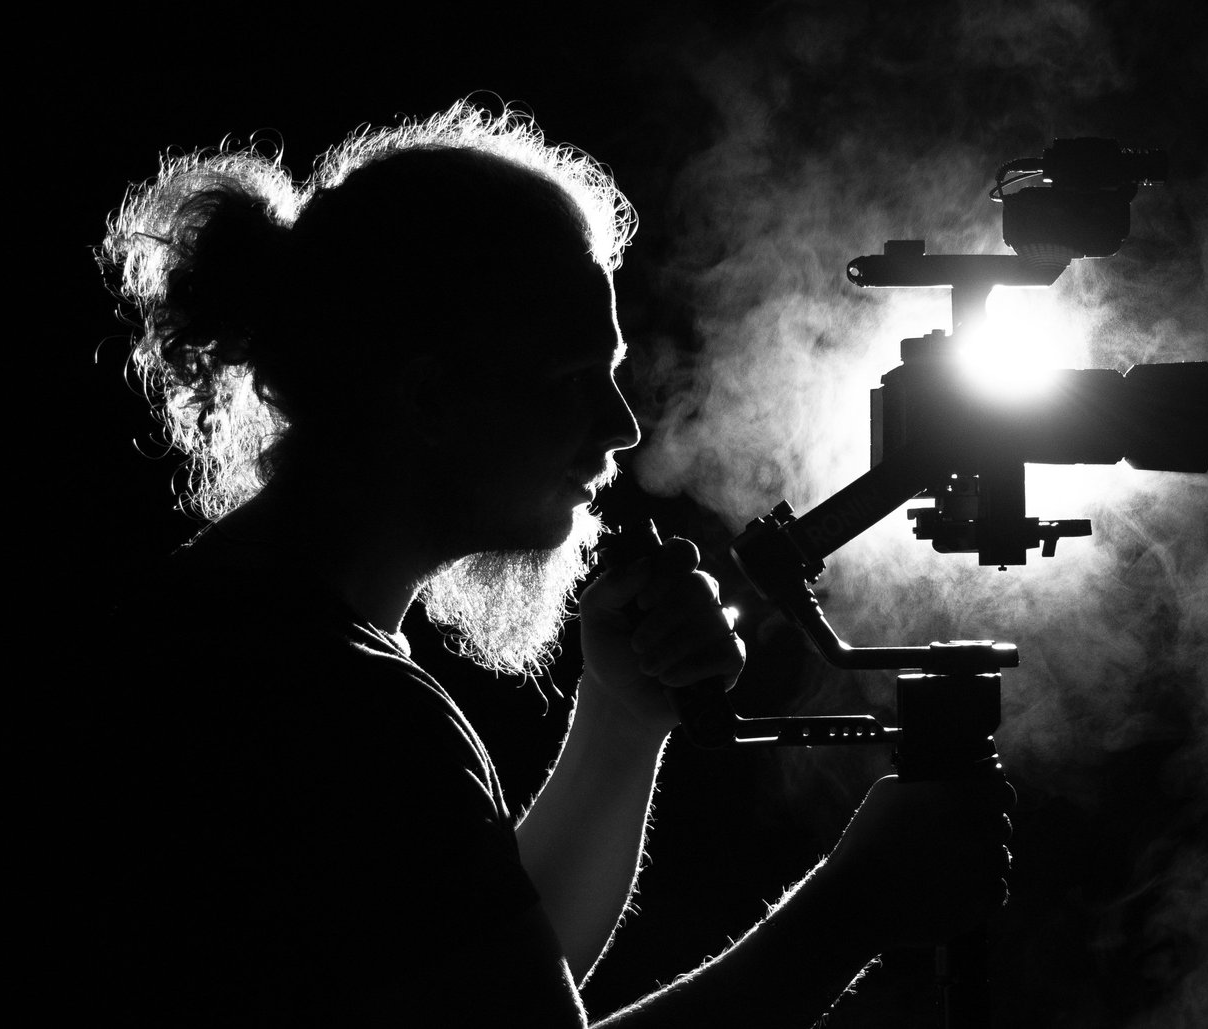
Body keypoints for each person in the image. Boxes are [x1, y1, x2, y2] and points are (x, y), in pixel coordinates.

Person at [81, 101, 1012, 1026]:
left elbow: (477, 981)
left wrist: (619, 717)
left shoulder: (239, 633)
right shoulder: (340, 708)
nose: (623, 428)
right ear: (430, 395)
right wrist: (851, 912)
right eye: (572, 381)